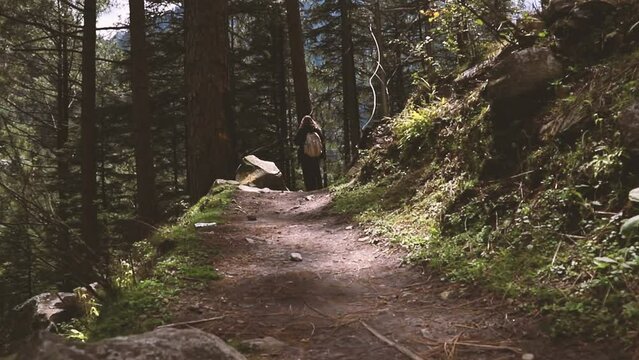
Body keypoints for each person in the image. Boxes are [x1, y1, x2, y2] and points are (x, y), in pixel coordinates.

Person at [294, 115, 325, 191]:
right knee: (317, 172)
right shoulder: (316, 130)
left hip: (305, 155)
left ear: (303, 122)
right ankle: (319, 188)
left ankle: (310, 189)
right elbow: (322, 140)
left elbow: (296, 142)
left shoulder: (302, 130)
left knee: (307, 173)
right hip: (316, 154)